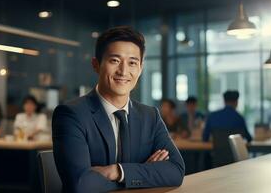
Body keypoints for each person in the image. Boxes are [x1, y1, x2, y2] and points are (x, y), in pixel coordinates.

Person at [52, 26, 185, 193]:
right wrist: (143, 173)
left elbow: (176, 171)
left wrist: (117, 171)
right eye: (114, 60)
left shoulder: (150, 115)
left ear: (141, 68)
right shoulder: (71, 114)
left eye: (132, 63)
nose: (123, 71)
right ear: (96, 64)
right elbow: (81, 185)